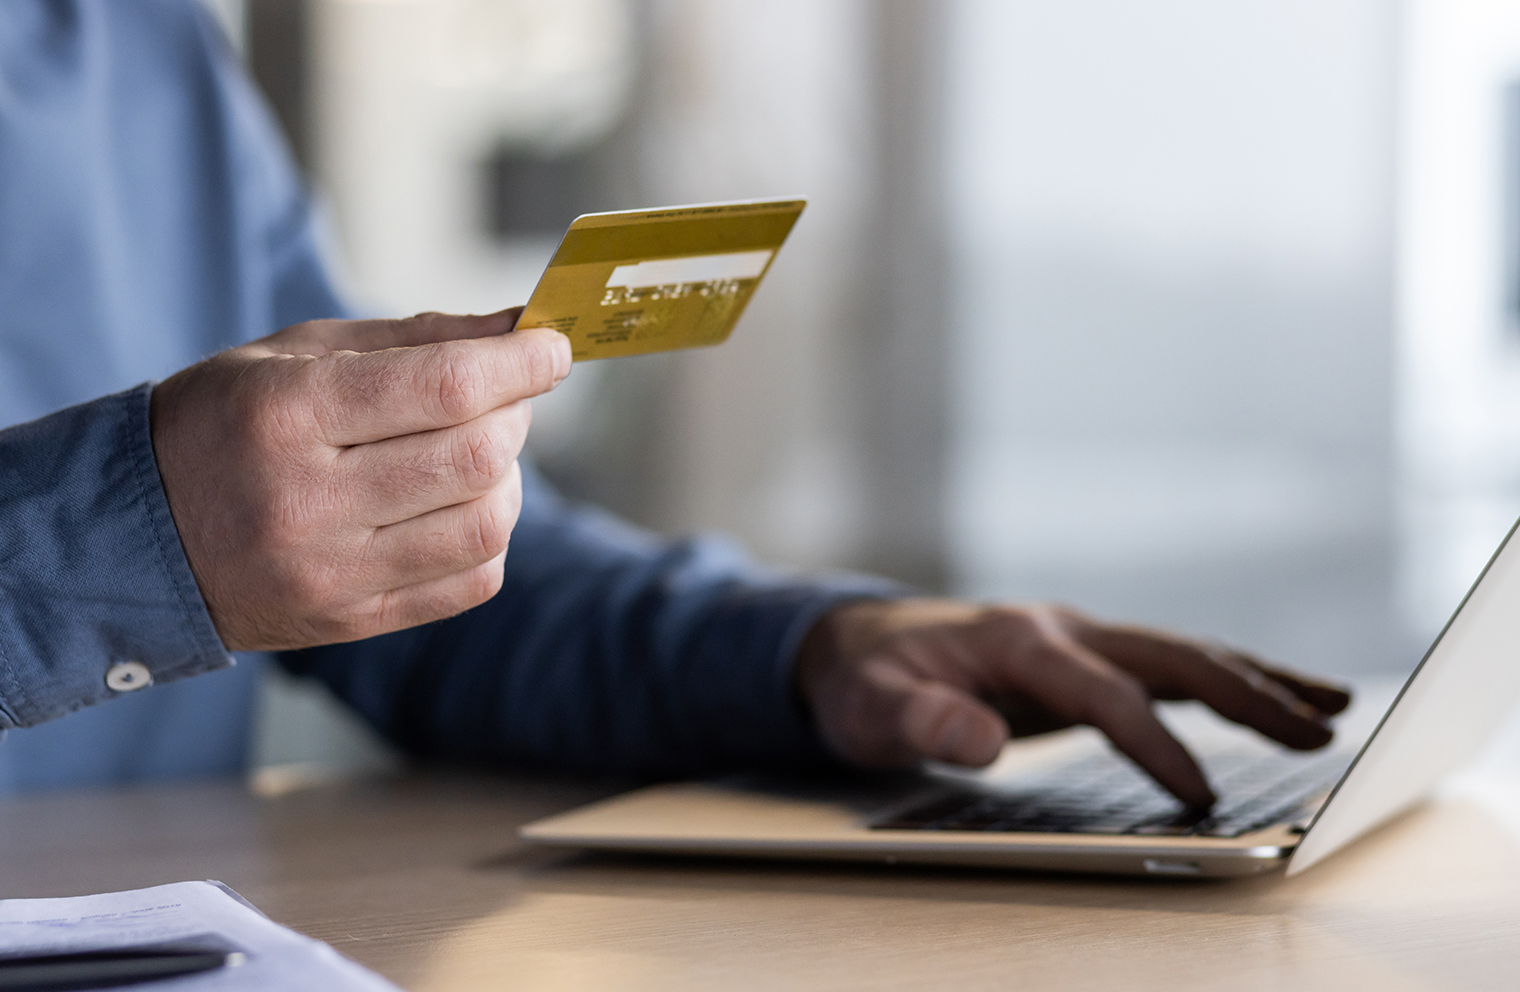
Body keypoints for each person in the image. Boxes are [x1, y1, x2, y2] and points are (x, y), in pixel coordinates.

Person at [0, 0, 1349, 804]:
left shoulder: (137, 39)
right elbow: (193, 528)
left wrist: (809, 650)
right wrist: (118, 544)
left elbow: (386, 579)